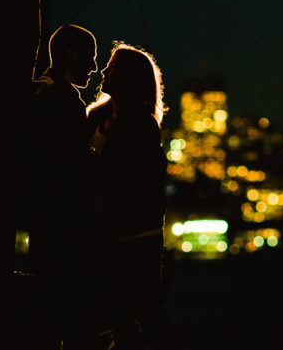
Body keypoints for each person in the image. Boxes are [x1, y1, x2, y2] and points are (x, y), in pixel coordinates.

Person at [86, 42, 180, 349]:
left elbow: (133, 180)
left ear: (126, 77)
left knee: (144, 314)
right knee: (120, 316)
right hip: (111, 236)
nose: (103, 72)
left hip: (136, 238)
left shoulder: (140, 124)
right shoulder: (96, 118)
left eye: (111, 68)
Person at [19, 24, 104, 348]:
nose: (93, 67)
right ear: (71, 55)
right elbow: (73, 169)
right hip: (64, 231)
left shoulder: (39, 91)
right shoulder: (63, 100)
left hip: (43, 226)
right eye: (90, 58)